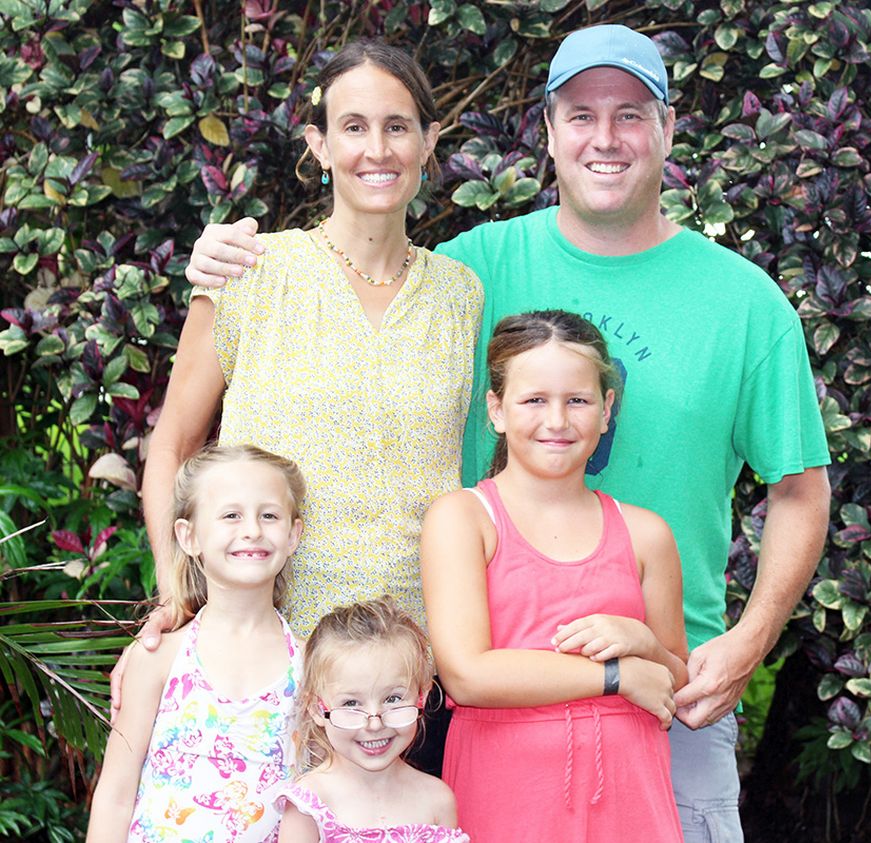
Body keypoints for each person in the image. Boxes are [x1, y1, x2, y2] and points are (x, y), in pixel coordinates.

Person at [186, 23, 832, 841]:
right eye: (582, 115)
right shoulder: (468, 274)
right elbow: (356, 294)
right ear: (549, 133)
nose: (606, 137)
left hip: (670, 689)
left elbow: (801, 490)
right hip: (493, 699)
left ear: (669, 130)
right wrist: (226, 266)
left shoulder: (745, 304)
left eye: (632, 114)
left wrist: (747, 640)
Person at [119, 39, 482, 721]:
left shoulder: (462, 295)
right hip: (264, 656)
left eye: (398, 126)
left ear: (430, 141)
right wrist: (175, 588)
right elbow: (168, 447)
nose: (377, 149)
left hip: (412, 681)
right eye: (353, 126)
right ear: (318, 145)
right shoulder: (250, 273)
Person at [420, 310, 687, 841]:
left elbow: (672, 678)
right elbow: (468, 676)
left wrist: (643, 645)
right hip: (506, 790)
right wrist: (616, 675)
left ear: (607, 410)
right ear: (496, 409)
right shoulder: (463, 518)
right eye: (534, 400)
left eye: (579, 401)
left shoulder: (646, 533)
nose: (558, 421)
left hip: (631, 790)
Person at [87, 444, 305, 842]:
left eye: (269, 515)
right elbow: (115, 795)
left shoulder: (309, 665)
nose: (252, 529)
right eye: (231, 515)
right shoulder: (160, 658)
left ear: (293, 534)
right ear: (188, 536)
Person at [277, 596, 469, 842]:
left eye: (392, 699)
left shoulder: (437, 800)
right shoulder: (308, 805)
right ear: (315, 708)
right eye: (351, 703)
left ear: (422, 696)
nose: (375, 723)